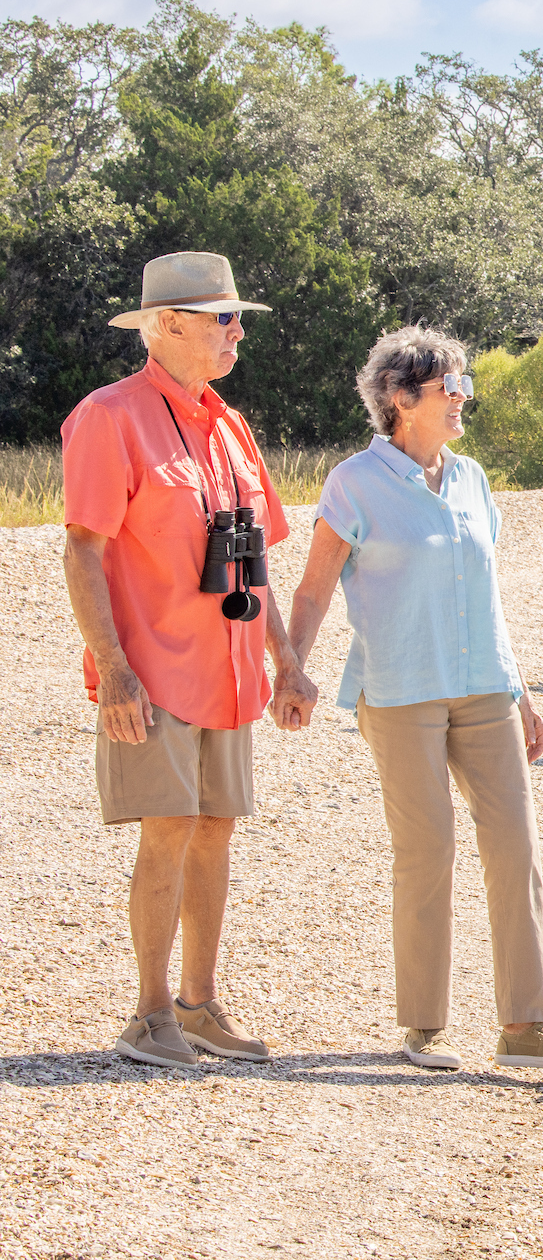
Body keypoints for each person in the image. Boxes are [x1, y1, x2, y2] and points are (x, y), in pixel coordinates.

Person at [278, 328, 543, 1072]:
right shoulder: (354, 482)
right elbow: (314, 586)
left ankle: (525, 1027)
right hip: (399, 689)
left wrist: (521, 690)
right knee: (428, 848)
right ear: (401, 398)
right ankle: (423, 1028)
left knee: (515, 845)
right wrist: (291, 669)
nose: (463, 400)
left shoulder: (473, 480)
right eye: (449, 387)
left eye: (464, 386)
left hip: (484, 683)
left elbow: (486, 593)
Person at [61, 251, 306, 1069]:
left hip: (230, 671)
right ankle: (148, 1014)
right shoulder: (109, 415)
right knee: (166, 831)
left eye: (239, 318)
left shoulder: (230, 423)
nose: (238, 332)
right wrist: (112, 669)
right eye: (223, 318)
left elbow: (252, 555)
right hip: (154, 672)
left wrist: (287, 658)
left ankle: (199, 1005)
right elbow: (84, 549)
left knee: (215, 831)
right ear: (166, 325)